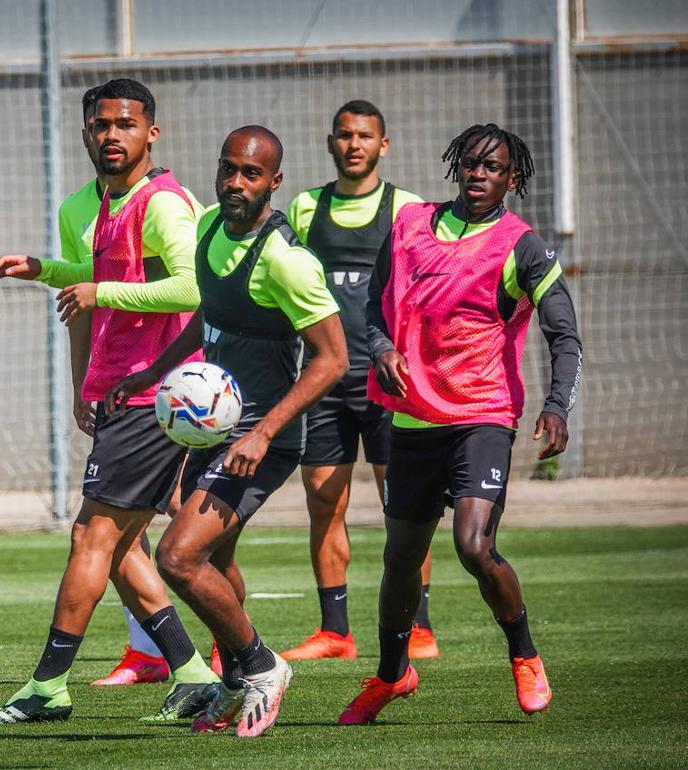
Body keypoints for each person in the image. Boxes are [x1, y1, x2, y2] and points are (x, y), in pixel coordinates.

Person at [0, 78, 218, 724]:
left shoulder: (163, 204)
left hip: (156, 394)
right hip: (125, 393)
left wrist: (99, 294)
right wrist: (46, 270)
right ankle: (194, 673)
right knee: (117, 549)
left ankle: (48, 686)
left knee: (92, 535)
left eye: (125, 124)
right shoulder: (106, 202)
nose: (112, 135)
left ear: (151, 133)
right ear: (86, 132)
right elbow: (104, 280)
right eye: (101, 125)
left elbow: (192, 289)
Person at [338, 123, 581, 724]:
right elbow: (375, 304)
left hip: (482, 416)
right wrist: (382, 348)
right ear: (457, 167)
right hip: (415, 418)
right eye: (471, 163)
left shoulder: (523, 246)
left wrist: (557, 405)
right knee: (401, 557)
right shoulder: (410, 225)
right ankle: (392, 676)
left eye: (493, 167)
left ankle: (524, 655)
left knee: (473, 545)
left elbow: (564, 334)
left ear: (511, 179)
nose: (479, 174)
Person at [109, 126, 346, 737]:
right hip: (215, 432)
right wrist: (153, 372)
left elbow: (332, 360)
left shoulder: (287, 260)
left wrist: (262, 434)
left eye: (251, 173)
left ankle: (262, 667)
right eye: (228, 169)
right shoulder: (211, 226)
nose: (236, 182)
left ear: (274, 182)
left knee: (177, 556)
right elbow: (208, 315)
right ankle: (237, 681)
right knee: (214, 557)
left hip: (261, 442)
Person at [282, 100, 439, 660]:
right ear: (331, 143)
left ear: (383, 145)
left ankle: (419, 628)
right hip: (324, 381)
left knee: (406, 507)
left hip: (389, 383)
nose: (354, 144)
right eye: (345, 135)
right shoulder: (304, 208)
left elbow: (427, 289)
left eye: (365, 136)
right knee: (324, 503)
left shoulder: (407, 208)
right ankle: (335, 632)